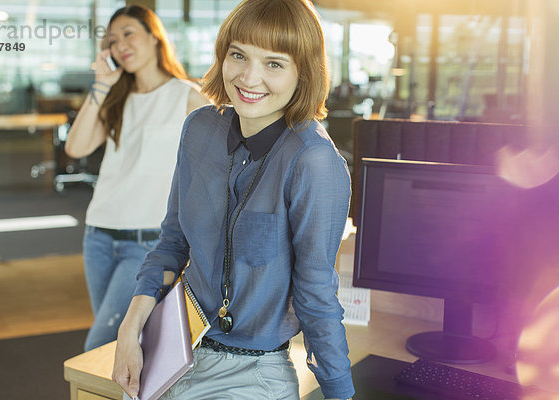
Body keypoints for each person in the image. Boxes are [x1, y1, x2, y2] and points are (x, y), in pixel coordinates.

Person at [112, 0, 355, 399]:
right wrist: (130, 328)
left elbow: (316, 296)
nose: (249, 77)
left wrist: (339, 392)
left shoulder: (313, 161)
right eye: (238, 55)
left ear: (302, 72)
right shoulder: (200, 129)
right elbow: (172, 244)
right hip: (174, 348)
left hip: (252, 372)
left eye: (274, 64)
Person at [64, 5, 209, 352]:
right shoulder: (116, 98)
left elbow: (213, 170)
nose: (119, 45)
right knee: (120, 350)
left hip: (148, 245)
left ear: (155, 36)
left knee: (102, 346)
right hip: (98, 236)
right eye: (111, 40)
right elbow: (75, 146)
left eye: (128, 33)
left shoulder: (188, 95)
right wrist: (101, 85)